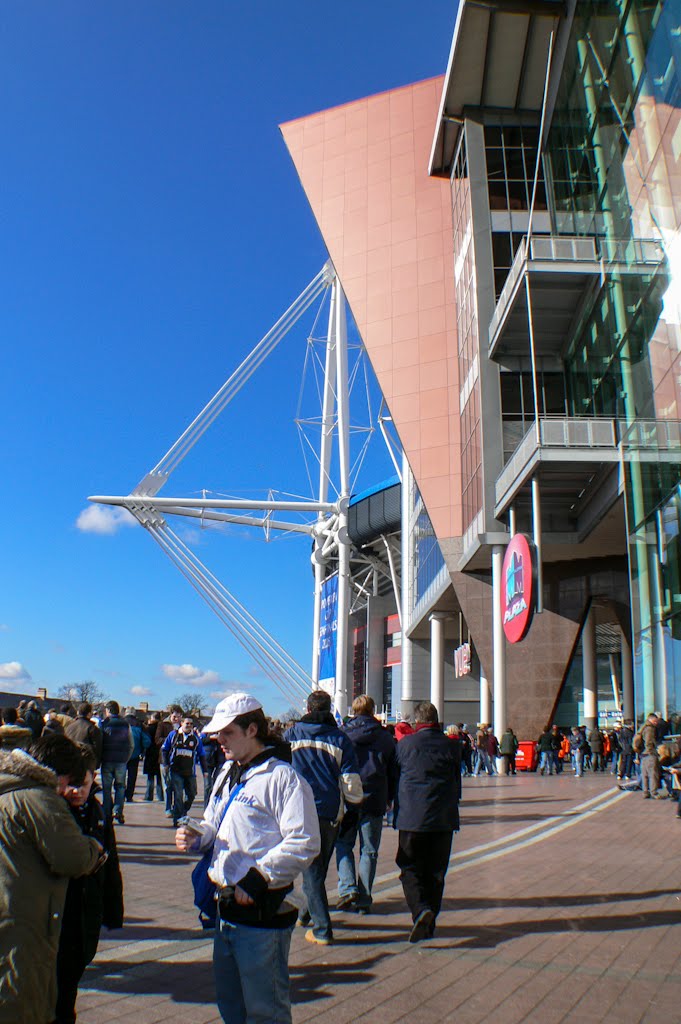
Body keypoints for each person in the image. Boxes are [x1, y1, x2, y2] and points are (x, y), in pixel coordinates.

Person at [175, 693, 320, 1024]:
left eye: (227, 733)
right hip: (224, 906)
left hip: (261, 912)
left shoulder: (283, 779)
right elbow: (214, 820)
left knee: (264, 1008)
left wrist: (260, 876)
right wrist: (199, 838)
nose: (218, 740)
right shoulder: (228, 771)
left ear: (252, 729)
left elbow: (306, 840)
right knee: (230, 1002)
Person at [0, 736, 102, 1024]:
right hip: (23, 916)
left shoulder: (8, 786)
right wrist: (95, 849)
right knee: (23, 1001)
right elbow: (73, 857)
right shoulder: (39, 797)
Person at [284, 690, 363, 945]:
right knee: (317, 869)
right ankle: (306, 915)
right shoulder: (340, 739)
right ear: (329, 709)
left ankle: (322, 929)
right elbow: (350, 780)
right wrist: (353, 808)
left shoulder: (292, 735)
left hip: (297, 809)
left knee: (312, 872)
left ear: (307, 707)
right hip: (329, 811)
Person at [54, 745, 124, 1024]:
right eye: (71, 785)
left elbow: (112, 861)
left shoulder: (97, 810)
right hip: (62, 909)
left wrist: (112, 909)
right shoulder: (56, 812)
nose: (77, 792)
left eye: (83, 785)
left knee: (73, 973)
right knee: (61, 989)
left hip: (87, 908)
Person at [394, 700, 461, 942]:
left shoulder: (405, 745)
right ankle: (429, 922)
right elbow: (457, 782)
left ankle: (421, 910)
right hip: (443, 818)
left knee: (409, 866)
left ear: (417, 721)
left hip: (412, 817)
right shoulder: (452, 746)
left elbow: (396, 776)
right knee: (436, 872)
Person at [336, 694, 396, 914]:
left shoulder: (342, 735)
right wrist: (390, 797)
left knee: (343, 844)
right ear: (373, 711)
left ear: (353, 710)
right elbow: (393, 770)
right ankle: (364, 897)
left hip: (349, 797)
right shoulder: (385, 737)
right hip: (375, 797)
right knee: (369, 850)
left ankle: (347, 887)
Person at [162, 716, 207, 827]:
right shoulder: (174, 735)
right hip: (175, 770)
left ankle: (183, 810)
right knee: (178, 795)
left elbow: (201, 755)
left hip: (189, 772)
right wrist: (166, 764)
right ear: (182, 723)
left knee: (192, 794)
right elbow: (164, 749)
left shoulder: (195, 739)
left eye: (191, 724)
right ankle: (177, 819)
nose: (189, 725)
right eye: (187, 723)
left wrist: (205, 771)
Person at [100, 701, 133, 824]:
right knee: (120, 787)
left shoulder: (103, 724)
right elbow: (131, 744)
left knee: (107, 788)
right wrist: (126, 758)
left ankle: (107, 813)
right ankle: (118, 812)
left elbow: (100, 742)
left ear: (108, 710)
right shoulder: (125, 725)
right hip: (121, 761)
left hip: (107, 759)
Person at [156, 706, 183, 818]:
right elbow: (157, 740)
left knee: (177, 786)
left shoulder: (184, 727)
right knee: (167, 785)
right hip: (165, 759)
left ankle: (177, 808)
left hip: (180, 761)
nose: (176, 718)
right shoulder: (163, 725)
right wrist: (171, 738)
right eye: (174, 716)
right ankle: (168, 808)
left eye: (178, 716)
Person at [124, 708, 151, 802]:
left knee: (120, 776)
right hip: (135, 754)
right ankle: (129, 796)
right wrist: (143, 750)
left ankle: (120, 794)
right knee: (132, 776)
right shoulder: (140, 724)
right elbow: (147, 741)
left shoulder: (121, 722)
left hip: (121, 754)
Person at [65, 702, 103, 767]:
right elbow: (97, 748)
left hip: (70, 761)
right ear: (89, 714)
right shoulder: (93, 729)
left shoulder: (69, 727)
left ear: (77, 712)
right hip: (86, 762)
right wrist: (97, 763)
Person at [636, 713, 661, 798]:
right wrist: (653, 751)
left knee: (645, 775)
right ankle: (654, 792)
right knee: (653, 774)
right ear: (652, 720)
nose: (656, 723)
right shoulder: (650, 729)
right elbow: (649, 742)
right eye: (655, 721)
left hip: (643, 754)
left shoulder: (643, 727)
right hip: (649, 754)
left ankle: (645, 792)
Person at [142, 713, 164, 801]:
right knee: (159, 778)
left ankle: (149, 796)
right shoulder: (162, 728)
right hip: (159, 754)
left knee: (150, 777)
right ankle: (160, 796)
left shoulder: (148, 728)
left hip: (150, 753)